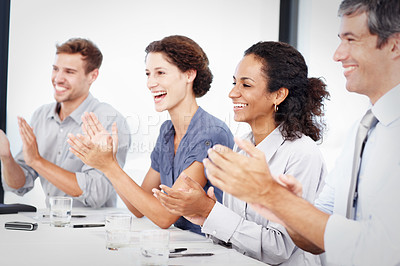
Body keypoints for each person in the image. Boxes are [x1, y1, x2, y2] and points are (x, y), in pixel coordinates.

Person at [201, 0, 400, 265]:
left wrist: (275, 199)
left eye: (351, 40)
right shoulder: (362, 131)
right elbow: (315, 238)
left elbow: (383, 248)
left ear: (394, 45)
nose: (338, 54)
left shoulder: (304, 151)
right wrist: (289, 208)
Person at [153, 41, 329, 265]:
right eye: (235, 83)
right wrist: (206, 215)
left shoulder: (302, 153)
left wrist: (210, 211)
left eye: (246, 85)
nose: (232, 93)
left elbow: (279, 249)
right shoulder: (242, 146)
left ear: (278, 95)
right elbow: (235, 233)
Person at [67, 35, 234, 234]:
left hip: (211, 249)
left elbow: (164, 216)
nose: (150, 83)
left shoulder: (211, 133)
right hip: (182, 244)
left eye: (160, 73)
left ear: (189, 75)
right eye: (148, 74)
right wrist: (108, 162)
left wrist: (110, 167)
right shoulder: (167, 132)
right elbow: (139, 208)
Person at [0, 38, 131, 208]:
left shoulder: (109, 120)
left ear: (92, 76)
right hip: (53, 223)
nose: (58, 78)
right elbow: (18, 185)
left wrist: (37, 161)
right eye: (55, 69)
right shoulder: (41, 115)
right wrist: (6, 157)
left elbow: (97, 193)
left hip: (93, 229)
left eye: (69, 72)